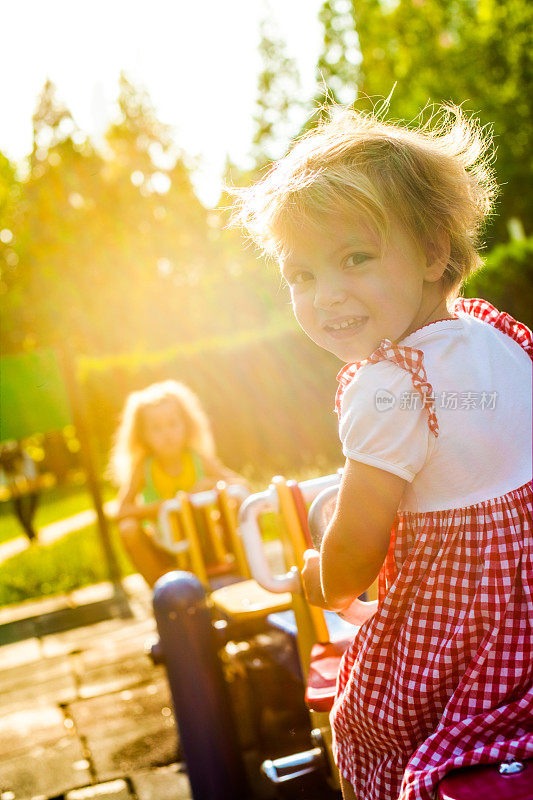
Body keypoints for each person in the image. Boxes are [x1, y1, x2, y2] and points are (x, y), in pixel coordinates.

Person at [233, 106, 532, 800]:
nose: (325, 296)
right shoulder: (495, 335)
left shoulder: (390, 384)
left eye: (354, 259)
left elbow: (357, 556)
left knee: (364, 719)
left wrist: (316, 577)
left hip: (468, 640)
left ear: (432, 251)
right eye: (300, 275)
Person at [108, 380, 246, 587]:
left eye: (173, 424)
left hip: (205, 541)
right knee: (128, 529)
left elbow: (241, 486)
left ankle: (244, 568)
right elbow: (120, 511)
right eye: (156, 428)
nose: (167, 434)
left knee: (242, 507)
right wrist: (161, 507)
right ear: (143, 435)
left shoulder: (197, 458)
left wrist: (211, 484)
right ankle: (162, 591)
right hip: (166, 547)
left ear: (186, 425)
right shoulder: (144, 467)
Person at [0, 441, 40, 543]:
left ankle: (28, 525)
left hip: (20, 455)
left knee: (33, 489)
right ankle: (29, 530)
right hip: (4, 460)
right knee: (15, 495)